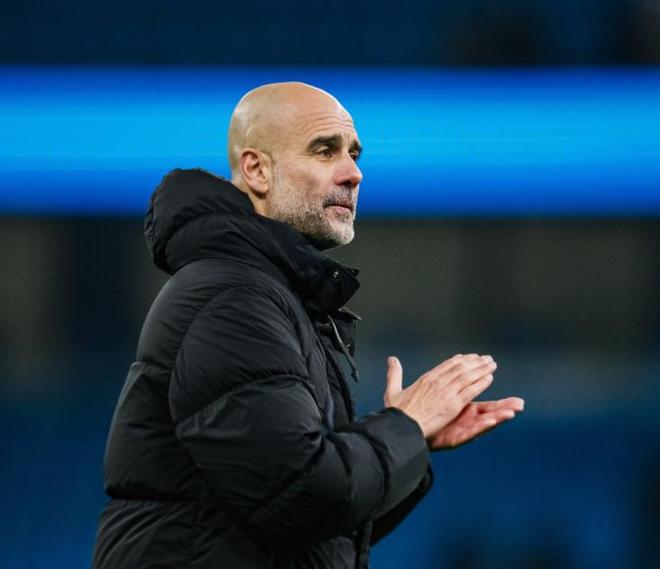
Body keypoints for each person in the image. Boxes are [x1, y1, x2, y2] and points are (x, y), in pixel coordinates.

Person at [92, 82, 524, 569]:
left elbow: (310, 532)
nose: (354, 174)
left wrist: (413, 441)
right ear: (257, 170)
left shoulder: (268, 293)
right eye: (324, 150)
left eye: (354, 154)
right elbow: (302, 495)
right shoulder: (234, 298)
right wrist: (405, 426)